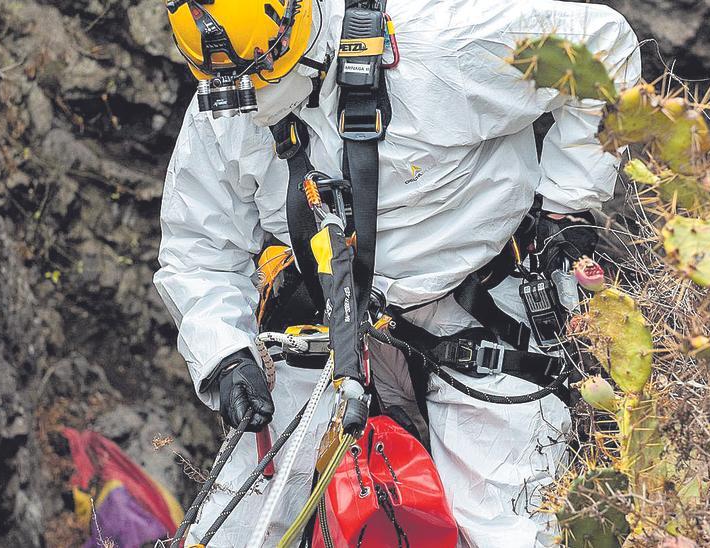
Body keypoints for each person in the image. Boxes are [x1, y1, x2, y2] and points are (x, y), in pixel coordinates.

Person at [154, 0, 640, 545]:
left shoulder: (439, 46)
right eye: (235, 87)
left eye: (267, 72)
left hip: (479, 317)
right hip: (333, 323)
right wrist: (225, 355)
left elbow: (601, 45)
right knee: (241, 527)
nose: (255, 97)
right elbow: (199, 248)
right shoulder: (226, 110)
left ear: (303, 31)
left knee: (514, 529)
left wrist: (568, 204)